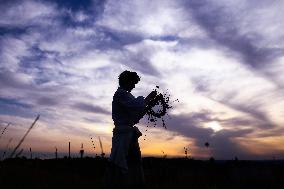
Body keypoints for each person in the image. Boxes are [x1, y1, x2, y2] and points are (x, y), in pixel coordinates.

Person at [104, 70, 157, 189]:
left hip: (129, 135)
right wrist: (148, 98)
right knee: (123, 164)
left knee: (133, 163)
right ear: (127, 81)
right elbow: (137, 105)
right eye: (133, 83)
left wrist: (149, 105)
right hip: (123, 136)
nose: (134, 86)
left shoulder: (127, 96)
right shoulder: (120, 94)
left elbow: (134, 117)